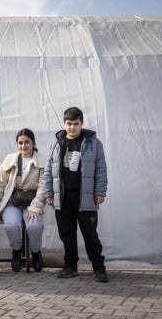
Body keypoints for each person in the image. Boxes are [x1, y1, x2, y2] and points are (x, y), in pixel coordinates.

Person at [43, 107, 108, 283]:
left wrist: (100, 191)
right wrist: (49, 193)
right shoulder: (57, 143)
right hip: (63, 197)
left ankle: (99, 268)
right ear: (64, 123)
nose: (72, 127)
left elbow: (101, 169)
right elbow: (49, 170)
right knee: (67, 234)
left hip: (84, 197)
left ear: (81, 123)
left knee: (90, 234)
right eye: (69, 123)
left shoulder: (94, 143)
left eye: (76, 124)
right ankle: (70, 266)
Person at [0, 128, 46, 272]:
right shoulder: (10, 160)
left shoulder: (42, 161)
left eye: (27, 142)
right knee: (11, 225)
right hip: (12, 202)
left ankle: (35, 252)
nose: (23, 146)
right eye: (20, 143)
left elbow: (43, 188)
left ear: (33, 143)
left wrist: (35, 208)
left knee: (34, 226)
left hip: (32, 203)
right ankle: (16, 251)